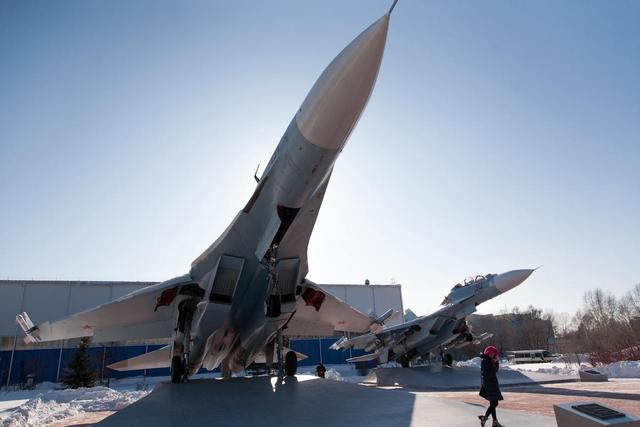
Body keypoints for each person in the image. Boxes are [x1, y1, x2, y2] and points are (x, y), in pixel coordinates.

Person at [478, 345, 504, 427]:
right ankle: (485, 418)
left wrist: (496, 363)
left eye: (494, 354)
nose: (492, 355)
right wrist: (494, 364)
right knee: (494, 403)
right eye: (491, 353)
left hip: (492, 384)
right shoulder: (485, 361)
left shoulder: (490, 361)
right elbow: (487, 373)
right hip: (489, 384)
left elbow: (495, 371)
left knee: (493, 403)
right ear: (487, 353)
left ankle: (495, 422)